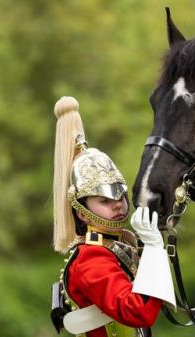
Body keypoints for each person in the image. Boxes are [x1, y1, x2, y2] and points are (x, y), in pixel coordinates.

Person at [50, 96, 175, 337]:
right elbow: (139, 312)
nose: (117, 204)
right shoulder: (91, 258)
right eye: (104, 200)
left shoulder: (115, 246)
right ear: (81, 213)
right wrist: (154, 250)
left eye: (119, 195)